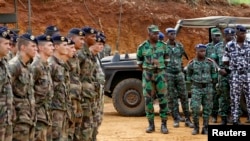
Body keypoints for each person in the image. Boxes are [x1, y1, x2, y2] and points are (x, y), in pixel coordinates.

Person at [136, 24, 169, 134]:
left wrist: (160, 69)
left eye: (157, 33)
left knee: (163, 99)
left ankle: (164, 125)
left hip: (161, 74)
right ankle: (151, 124)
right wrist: (148, 70)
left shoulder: (163, 46)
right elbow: (139, 62)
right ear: (149, 34)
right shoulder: (142, 47)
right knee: (148, 100)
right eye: (154, 33)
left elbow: (167, 61)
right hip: (148, 75)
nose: (157, 35)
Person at [8, 33, 38, 141]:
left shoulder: (28, 66)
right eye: (33, 46)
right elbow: (5, 92)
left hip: (28, 118)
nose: (36, 49)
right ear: (23, 47)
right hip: (18, 120)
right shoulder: (14, 65)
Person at [165, 27, 193, 128]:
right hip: (169, 74)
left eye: (174, 34)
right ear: (167, 35)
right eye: (171, 34)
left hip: (179, 74)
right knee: (172, 98)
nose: (173, 36)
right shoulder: (164, 47)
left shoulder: (180, 46)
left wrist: (181, 70)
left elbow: (182, 58)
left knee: (184, 96)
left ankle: (187, 119)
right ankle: (176, 118)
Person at [186, 44, 217, 135]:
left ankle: (205, 127)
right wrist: (193, 83)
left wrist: (212, 84)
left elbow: (214, 75)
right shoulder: (192, 63)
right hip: (196, 87)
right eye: (201, 51)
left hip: (208, 87)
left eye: (204, 51)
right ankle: (196, 127)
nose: (203, 53)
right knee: (195, 108)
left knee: (207, 109)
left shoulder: (210, 62)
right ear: (196, 51)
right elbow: (188, 75)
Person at [222, 25, 250, 125]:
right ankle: (235, 120)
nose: (244, 35)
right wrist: (235, 66)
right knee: (234, 98)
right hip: (235, 75)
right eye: (242, 33)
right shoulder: (229, 45)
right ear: (237, 33)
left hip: (248, 75)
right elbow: (225, 61)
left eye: (245, 33)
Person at [30, 34, 54, 141]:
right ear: (40, 48)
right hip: (37, 115)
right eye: (49, 45)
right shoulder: (36, 66)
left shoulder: (46, 65)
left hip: (45, 113)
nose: (53, 48)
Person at [48, 35, 70, 140]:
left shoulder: (61, 64)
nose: (67, 47)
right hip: (54, 109)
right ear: (56, 47)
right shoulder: (50, 64)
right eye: (64, 45)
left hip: (62, 108)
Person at [77, 26, 98, 141]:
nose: (95, 39)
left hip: (89, 95)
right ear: (85, 38)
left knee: (89, 124)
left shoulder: (89, 53)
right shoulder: (80, 54)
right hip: (82, 96)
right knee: (83, 126)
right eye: (92, 36)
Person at [66, 28, 84, 141]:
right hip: (69, 99)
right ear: (72, 39)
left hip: (77, 97)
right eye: (80, 39)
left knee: (77, 128)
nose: (83, 41)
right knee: (69, 129)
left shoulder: (76, 56)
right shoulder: (65, 58)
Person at [215, 27, 235, 125]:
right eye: (228, 35)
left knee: (235, 96)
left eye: (232, 35)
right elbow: (212, 59)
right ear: (224, 35)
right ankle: (223, 118)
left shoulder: (238, 46)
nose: (230, 37)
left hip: (234, 74)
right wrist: (219, 69)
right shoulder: (218, 46)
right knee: (223, 96)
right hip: (223, 74)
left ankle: (234, 117)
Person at [89, 33, 106, 141]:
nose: (101, 46)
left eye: (102, 44)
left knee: (98, 118)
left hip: (98, 92)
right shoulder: (89, 57)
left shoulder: (97, 56)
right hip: (91, 93)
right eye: (98, 44)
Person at [205, 27, 222, 123]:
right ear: (211, 36)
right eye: (216, 36)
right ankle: (214, 115)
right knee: (213, 96)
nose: (218, 37)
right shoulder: (207, 47)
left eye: (219, 36)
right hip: (212, 76)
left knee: (224, 96)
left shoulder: (223, 46)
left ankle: (226, 115)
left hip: (222, 75)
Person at [0, 29, 14, 141]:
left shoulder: (4, 63)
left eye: (9, 44)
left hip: (6, 119)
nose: (9, 47)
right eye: (6, 44)